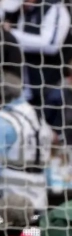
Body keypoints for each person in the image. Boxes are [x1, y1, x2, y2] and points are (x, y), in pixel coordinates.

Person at [0, 69, 53, 213]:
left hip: (10, 197)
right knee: (35, 227)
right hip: (39, 193)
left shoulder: (4, 120)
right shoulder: (38, 117)